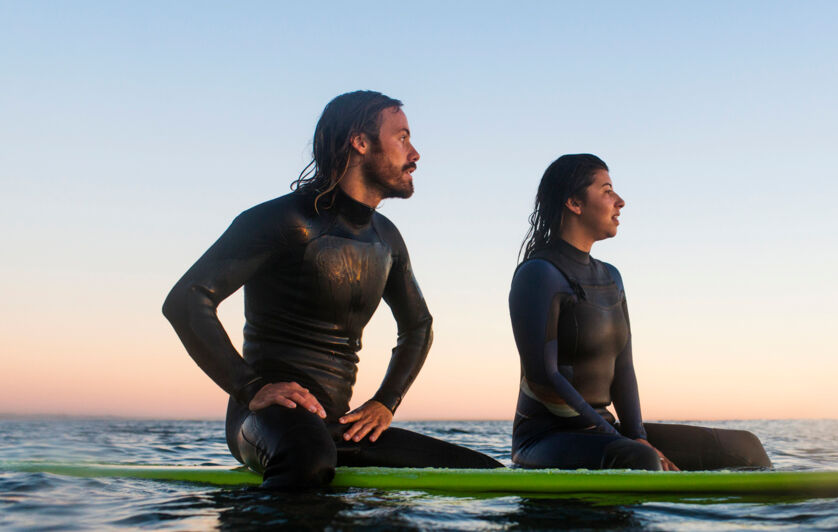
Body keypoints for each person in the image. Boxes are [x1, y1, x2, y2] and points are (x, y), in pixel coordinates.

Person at [163, 90, 502, 490]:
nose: (415, 154)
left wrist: (385, 403)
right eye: (403, 138)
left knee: (487, 477)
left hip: (337, 430)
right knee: (307, 459)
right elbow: (187, 299)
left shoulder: (387, 239)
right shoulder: (286, 220)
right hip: (269, 421)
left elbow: (419, 326)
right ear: (360, 142)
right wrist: (249, 388)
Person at [509, 154, 773, 471]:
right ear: (574, 203)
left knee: (744, 448)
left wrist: (637, 435)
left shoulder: (611, 277)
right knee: (638, 459)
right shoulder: (538, 274)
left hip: (605, 435)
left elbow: (623, 367)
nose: (620, 201)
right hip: (544, 440)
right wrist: (631, 444)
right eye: (607, 190)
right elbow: (543, 379)